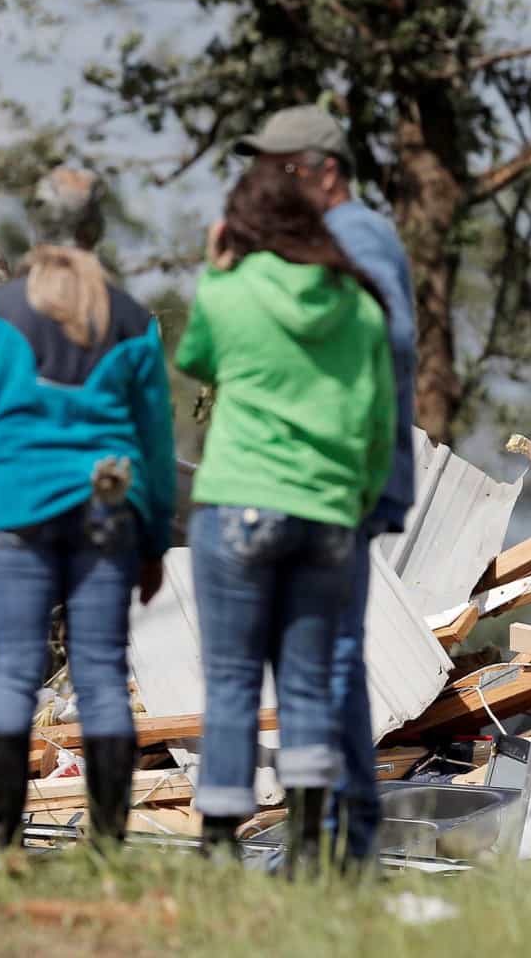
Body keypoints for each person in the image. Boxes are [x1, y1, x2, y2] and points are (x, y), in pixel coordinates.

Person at [176, 164, 396, 876]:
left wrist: (216, 270)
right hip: (328, 513)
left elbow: (194, 358)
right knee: (306, 685)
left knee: (234, 680)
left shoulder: (229, 292)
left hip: (238, 504)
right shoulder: (360, 306)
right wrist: (355, 500)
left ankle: (217, 849)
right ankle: (306, 847)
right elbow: (378, 423)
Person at [0, 244, 177, 856]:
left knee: (11, 671)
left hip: (12, 509)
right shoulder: (132, 319)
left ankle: (4, 848)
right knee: (103, 675)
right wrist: (154, 538)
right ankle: (108, 848)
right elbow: (156, 440)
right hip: (105, 513)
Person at [235, 105, 418, 873]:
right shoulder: (330, 239)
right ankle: (343, 839)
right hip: (338, 476)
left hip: (343, 478)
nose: (269, 182)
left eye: (282, 168)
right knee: (320, 655)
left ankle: (342, 846)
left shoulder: (358, 234)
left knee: (327, 657)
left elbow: (393, 335)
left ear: (325, 170)